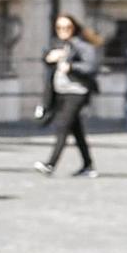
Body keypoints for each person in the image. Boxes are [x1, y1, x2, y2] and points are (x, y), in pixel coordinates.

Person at [38, 14, 100, 176]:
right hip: (60, 92)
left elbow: (91, 66)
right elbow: (45, 57)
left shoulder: (82, 45)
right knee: (76, 130)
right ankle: (88, 165)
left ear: (74, 28)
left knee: (62, 126)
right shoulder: (59, 45)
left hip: (77, 91)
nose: (63, 31)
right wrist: (49, 58)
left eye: (67, 27)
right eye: (59, 27)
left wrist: (72, 67)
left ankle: (50, 164)